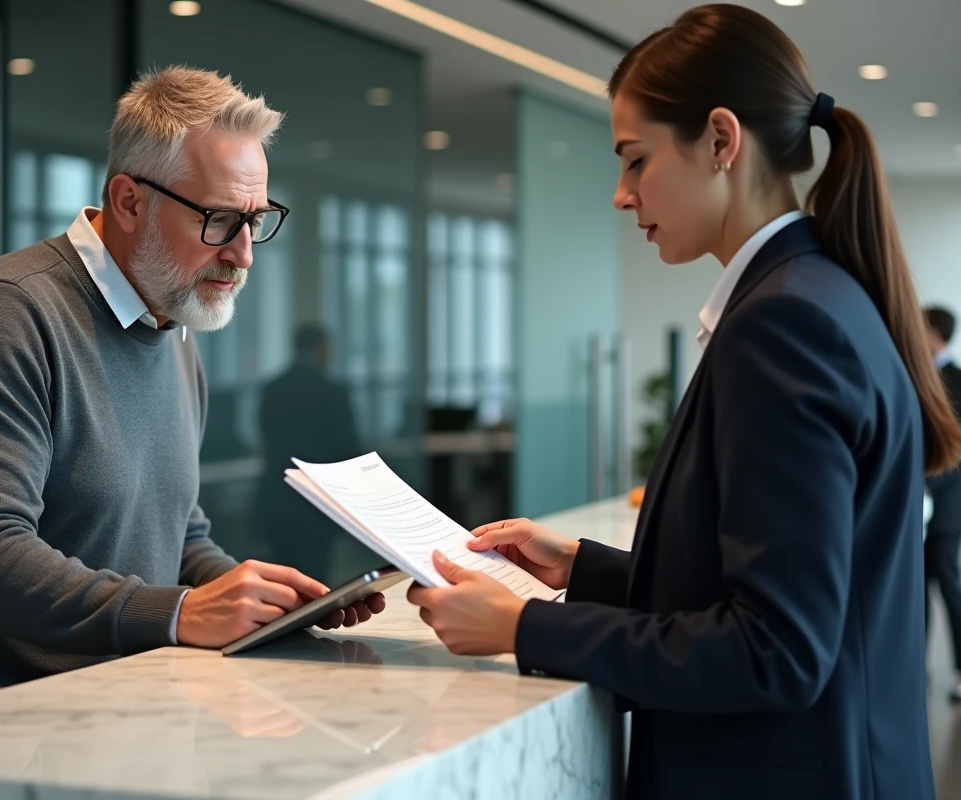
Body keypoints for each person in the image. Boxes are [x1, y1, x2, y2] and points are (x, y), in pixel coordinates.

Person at [407, 5, 961, 799]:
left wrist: (528, 627)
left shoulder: (785, 322)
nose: (621, 195)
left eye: (635, 161)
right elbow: (772, 590)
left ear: (721, 141)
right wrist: (581, 569)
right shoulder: (813, 296)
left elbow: (776, 650)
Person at [0, 67, 383, 724]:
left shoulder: (174, 329)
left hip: (102, 713)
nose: (244, 254)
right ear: (130, 201)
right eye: (219, 220)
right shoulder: (1, 316)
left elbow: (175, 535)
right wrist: (184, 613)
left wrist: (257, 598)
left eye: (256, 219)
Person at [253, 324, 373, 582]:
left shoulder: (272, 388)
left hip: (277, 497)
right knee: (315, 580)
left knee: (281, 579)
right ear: (322, 347)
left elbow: (265, 437)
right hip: (317, 502)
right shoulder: (333, 392)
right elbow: (347, 447)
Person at [924, 305, 961, 700]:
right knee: (914, 587)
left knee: (949, 583)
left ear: (934, 333)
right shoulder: (912, 374)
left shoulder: (958, 380)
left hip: (947, 501)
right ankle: (914, 667)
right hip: (915, 500)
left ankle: (960, 670)